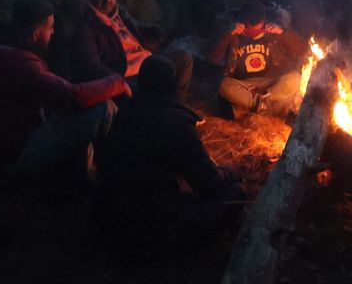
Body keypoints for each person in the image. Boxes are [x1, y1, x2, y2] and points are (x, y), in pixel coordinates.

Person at [0, 0, 130, 178]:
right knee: (102, 108)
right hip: (13, 151)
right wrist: (117, 82)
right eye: (50, 27)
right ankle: (105, 170)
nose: (53, 32)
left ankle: (91, 169)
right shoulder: (20, 64)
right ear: (36, 34)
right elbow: (74, 96)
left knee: (83, 111)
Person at [96, 55, 246, 243]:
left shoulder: (124, 112)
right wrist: (230, 171)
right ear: (174, 87)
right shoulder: (177, 122)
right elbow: (210, 183)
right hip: (150, 228)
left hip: (112, 215)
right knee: (237, 193)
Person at [64, 0, 194, 103]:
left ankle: (177, 106)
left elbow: (138, 28)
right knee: (160, 77)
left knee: (184, 59)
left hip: (148, 60)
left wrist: (152, 30)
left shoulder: (120, 15)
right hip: (129, 74)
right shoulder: (87, 26)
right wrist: (117, 81)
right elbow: (91, 66)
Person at [210, 0, 306, 118]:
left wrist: (283, 32)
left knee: (295, 78)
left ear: (264, 21)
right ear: (242, 21)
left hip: (269, 85)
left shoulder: (272, 32)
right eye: (250, 27)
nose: (254, 31)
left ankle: (257, 107)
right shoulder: (233, 34)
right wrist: (228, 34)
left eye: (258, 26)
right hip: (244, 85)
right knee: (223, 85)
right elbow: (213, 59)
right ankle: (264, 107)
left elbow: (303, 49)